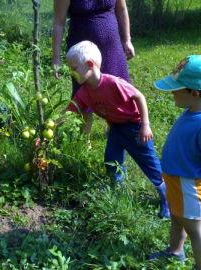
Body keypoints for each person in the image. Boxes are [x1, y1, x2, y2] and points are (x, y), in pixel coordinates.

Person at [62, 40, 169, 218]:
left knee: (148, 163)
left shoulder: (112, 83)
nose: (71, 73)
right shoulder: (84, 92)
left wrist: (145, 125)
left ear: (89, 65)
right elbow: (69, 110)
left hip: (135, 128)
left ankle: (168, 197)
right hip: (116, 128)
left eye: (74, 68)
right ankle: (116, 188)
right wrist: (47, 128)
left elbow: (139, 96)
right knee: (111, 159)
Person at [147, 55, 201, 270]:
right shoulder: (192, 111)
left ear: (194, 93)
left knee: (195, 228)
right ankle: (175, 252)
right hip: (176, 180)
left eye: (176, 89)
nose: (171, 93)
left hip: (188, 184)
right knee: (178, 218)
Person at [52, 0, 135, 137]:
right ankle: (85, 139)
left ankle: (116, 128)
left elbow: (121, 10)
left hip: (111, 46)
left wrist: (127, 40)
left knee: (117, 88)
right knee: (83, 92)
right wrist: (56, 58)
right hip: (81, 50)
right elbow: (58, 22)